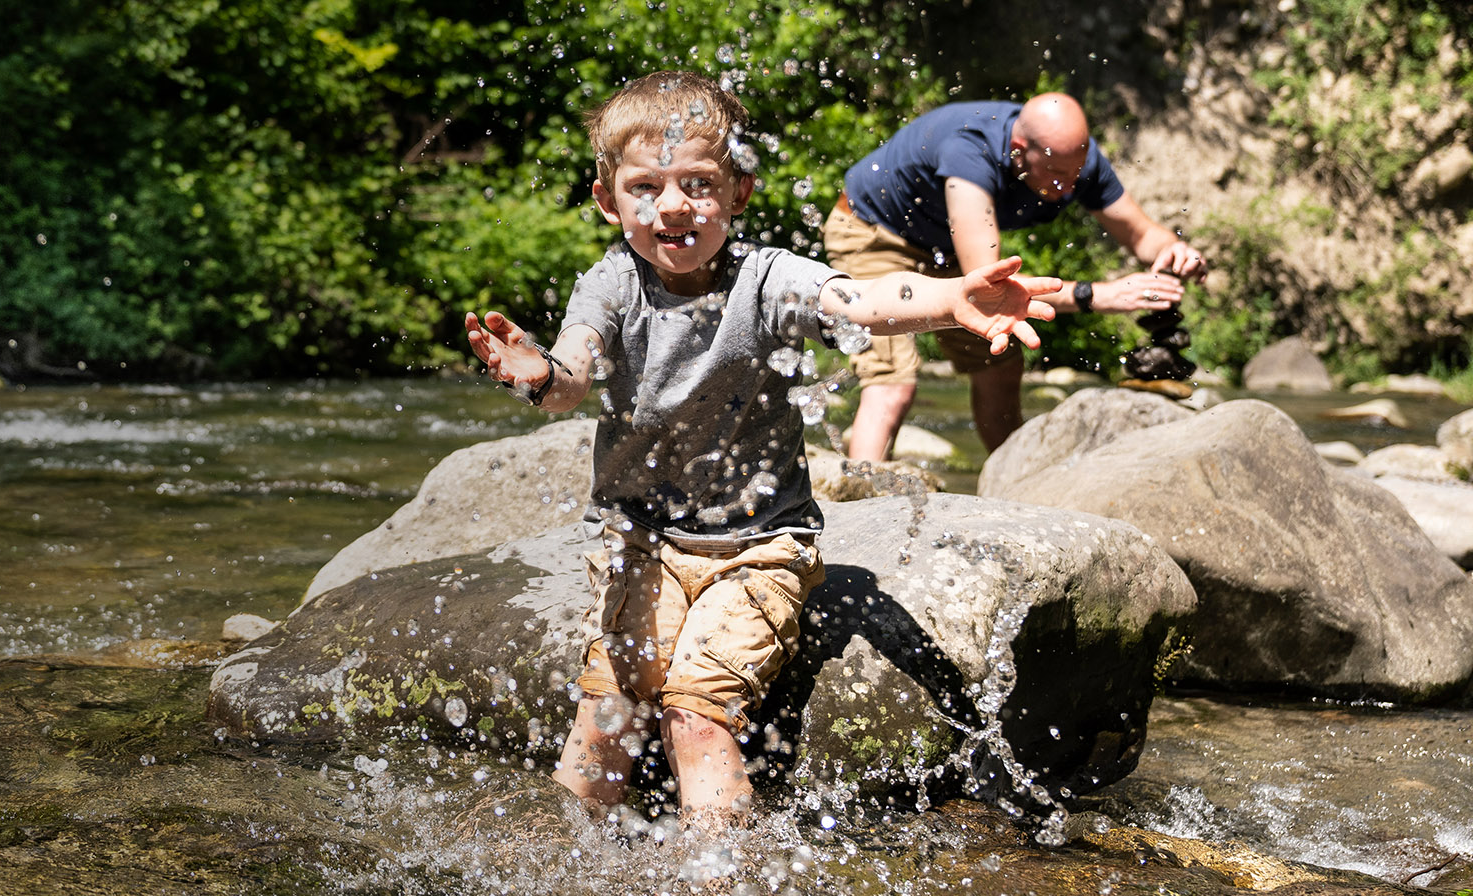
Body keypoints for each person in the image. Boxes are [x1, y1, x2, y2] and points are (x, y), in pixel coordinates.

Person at [461, 71, 1059, 828]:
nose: (673, 206)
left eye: (698, 185)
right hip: (637, 542)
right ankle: (560, 861)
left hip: (759, 548)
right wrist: (540, 374)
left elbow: (863, 301)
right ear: (608, 201)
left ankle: (716, 873)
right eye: (645, 188)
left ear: (738, 191)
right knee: (609, 710)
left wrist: (950, 298)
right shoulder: (608, 287)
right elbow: (572, 378)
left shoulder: (767, 279)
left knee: (693, 714)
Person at [827, 92, 1211, 460]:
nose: (1069, 188)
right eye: (1056, 175)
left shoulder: (1073, 158)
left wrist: (1172, 249)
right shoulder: (970, 154)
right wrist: (1095, 295)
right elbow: (990, 287)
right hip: (875, 235)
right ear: (1018, 149)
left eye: (1076, 175)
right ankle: (864, 494)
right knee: (892, 383)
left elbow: (1141, 235)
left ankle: (1010, 481)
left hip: (948, 248)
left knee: (1000, 364)